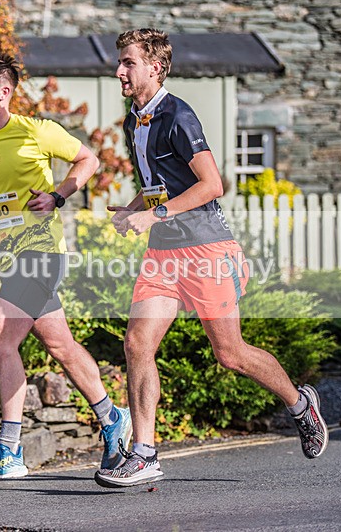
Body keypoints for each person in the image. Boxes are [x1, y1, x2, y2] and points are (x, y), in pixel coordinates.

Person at [94, 29, 328, 488]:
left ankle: (300, 404)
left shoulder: (179, 114)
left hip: (205, 249)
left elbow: (210, 185)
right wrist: (133, 210)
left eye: (127, 63)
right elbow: (160, 185)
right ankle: (144, 453)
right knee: (138, 344)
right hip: (164, 253)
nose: (119, 71)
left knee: (230, 354)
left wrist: (155, 213)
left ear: (154, 67)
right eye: (119, 63)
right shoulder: (132, 122)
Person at [0, 55, 132, 479]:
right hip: (9, 257)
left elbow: (88, 160)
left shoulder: (36, 131)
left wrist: (59, 195)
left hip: (42, 252)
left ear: (3, 93)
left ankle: (10, 450)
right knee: (61, 346)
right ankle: (111, 418)